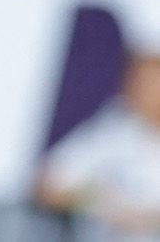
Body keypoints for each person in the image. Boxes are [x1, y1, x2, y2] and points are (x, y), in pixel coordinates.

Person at [39, 53, 160, 242]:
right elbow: (49, 184)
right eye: (136, 80)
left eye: (151, 85)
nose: (139, 90)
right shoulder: (116, 129)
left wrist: (150, 218)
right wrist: (106, 205)